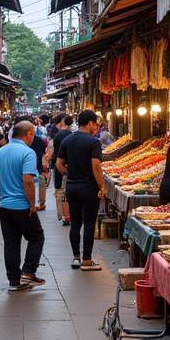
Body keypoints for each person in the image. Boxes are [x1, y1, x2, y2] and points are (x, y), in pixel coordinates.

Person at [0, 119, 46, 292]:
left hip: (5, 206)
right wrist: (32, 203)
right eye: (33, 134)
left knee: (11, 242)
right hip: (21, 205)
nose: (33, 137)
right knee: (37, 237)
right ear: (28, 133)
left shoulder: (1, 152)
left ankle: (14, 280)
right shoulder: (28, 153)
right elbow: (28, 180)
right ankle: (28, 271)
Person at [56, 108, 104, 271]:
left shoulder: (67, 140)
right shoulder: (93, 142)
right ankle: (87, 260)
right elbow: (96, 166)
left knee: (75, 223)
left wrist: (70, 174)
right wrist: (101, 186)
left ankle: (76, 257)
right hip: (89, 187)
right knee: (89, 223)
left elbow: (58, 164)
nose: (96, 127)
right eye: (96, 124)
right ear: (90, 123)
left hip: (72, 187)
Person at [50, 114, 72, 227]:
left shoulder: (57, 135)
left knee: (59, 190)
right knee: (67, 191)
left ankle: (61, 214)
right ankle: (68, 215)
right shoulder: (71, 135)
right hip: (68, 165)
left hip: (57, 165)